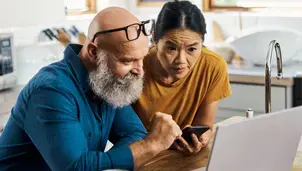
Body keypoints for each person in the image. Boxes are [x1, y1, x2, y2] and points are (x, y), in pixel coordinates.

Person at [0, 7, 182, 171]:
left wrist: (96, 163)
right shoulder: (51, 91)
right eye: (127, 61)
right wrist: (150, 145)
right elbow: (75, 168)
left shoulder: (108, 82)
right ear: (94, 52)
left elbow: (135, 134)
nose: (139, 71)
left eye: (141, 58)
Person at [132, 0, 232, 155]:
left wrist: (201, 139)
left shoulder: (213, 66)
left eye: (192, 49)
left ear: (202, 43)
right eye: (171, 48)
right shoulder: (135, 66)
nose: (181, 61)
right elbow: (124, 134)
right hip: (142, 155)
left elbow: (205, 125)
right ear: (155, 40)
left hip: (183, 157)